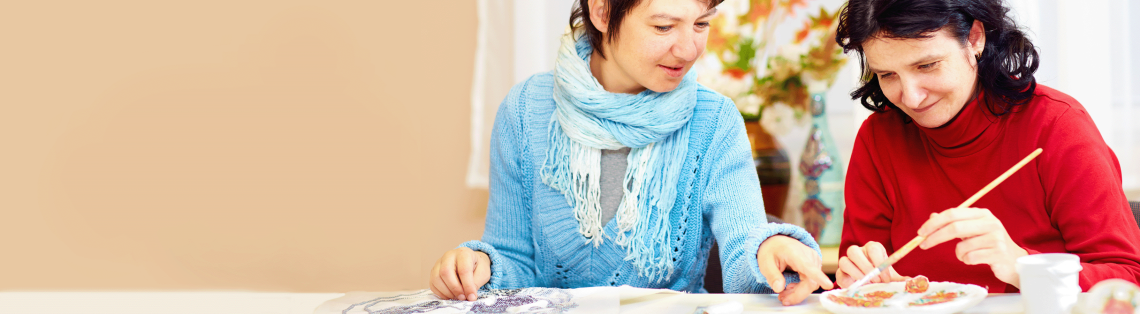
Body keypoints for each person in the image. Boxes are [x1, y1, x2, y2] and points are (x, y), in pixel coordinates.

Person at [427, 0, 834, 305]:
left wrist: (768, 249)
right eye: (663, 26)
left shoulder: (715, 122)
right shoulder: (523, 111)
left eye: (701, 24)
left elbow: (742, 245)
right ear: (602, 12)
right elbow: (514, 263)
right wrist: (478, 267)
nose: (689, 49)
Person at [833, 0, 1140, 293]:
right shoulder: (878, 139)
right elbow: (856, 281)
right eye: (887, 75)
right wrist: (857, 280)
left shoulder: (1056, 126)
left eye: (927, 65)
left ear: (975, 38)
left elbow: (1129, 278)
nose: (911, 98)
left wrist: (1023, 266)